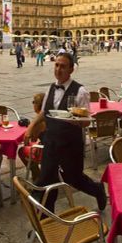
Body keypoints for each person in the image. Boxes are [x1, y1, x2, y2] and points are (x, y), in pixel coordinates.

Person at [29, 53, 106, 213]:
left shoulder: (81, 91)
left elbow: (86, 120)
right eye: (56, 65)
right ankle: (45, 221)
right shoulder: (50, 88)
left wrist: (74, 120)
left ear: (71, 69)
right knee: (47, 182)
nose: (58, 69)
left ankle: (97, 190)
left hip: (71, 143)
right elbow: (44, 112)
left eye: (63, 66)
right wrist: (31, 127)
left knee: (74, 178)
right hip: (51, 141)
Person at [20, 93, 46, 180]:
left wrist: (29, 128)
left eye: (33, 102)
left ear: (37, 105)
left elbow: (30, 140)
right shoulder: (50, 116)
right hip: (57, 149)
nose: (33, 104)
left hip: (45, 152)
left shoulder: (38, 122)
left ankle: (36, 173)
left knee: (21, 151)